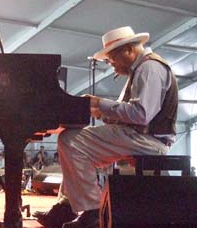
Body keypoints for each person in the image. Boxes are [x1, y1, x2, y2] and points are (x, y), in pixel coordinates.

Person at [36, 26, 178, 228]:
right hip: (138, 136)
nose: (111, 65)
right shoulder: (141, 69)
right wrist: (101, 113)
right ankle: (67, 206)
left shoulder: (149, 68)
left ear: (127, 50)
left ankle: (92, 211)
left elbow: (142, 114)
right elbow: (132, 113)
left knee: (70, 141)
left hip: (148, 140)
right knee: (72, 145)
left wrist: (99, 103)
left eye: (112, 59)